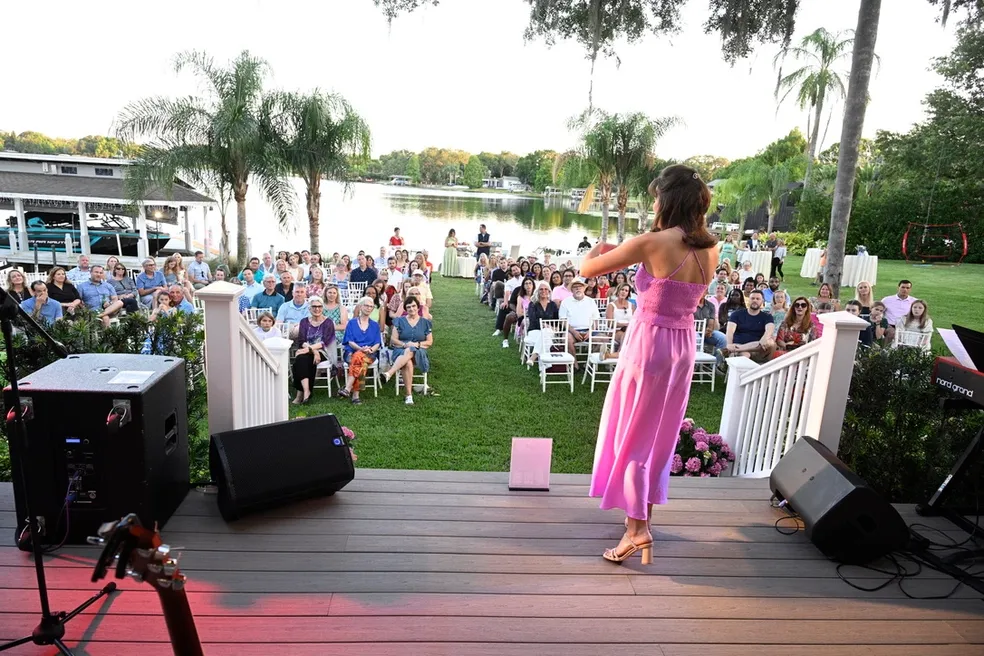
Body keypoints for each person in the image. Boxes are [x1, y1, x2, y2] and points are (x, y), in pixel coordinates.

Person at [581, 164, 717, 565]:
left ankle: (638, 530)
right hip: (683, 346)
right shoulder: (711, 247)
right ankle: (639, 520)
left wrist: (597, 250)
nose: (654, 203)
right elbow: (691, 296)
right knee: (658, 436)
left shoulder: (652, 242)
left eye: (657, 196)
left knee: (633, 434)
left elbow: (588, 270)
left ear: (668, 200)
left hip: (650, 345)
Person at [383, 296, 434, 405]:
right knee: (408, 363)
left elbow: (430, 342)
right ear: (405, 309)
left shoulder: (425, 322)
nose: (411, 309)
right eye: (408, 307)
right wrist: (405, 344)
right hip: (400, 350)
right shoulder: (399, 321)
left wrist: (417, 344)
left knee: (411, 350)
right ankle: (409, 395)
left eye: (414, 306)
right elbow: (393, 340)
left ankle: (390, 373)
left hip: (419, 352)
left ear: (418, 307)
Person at [338, 296, 383, 405]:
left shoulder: (375, 325)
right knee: (360, 359)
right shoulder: (352, 323)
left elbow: (377, 343)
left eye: (371, 306)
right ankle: (355, 395)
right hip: (351, 352)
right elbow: (350, 341)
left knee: (359, 359)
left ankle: (348, 388)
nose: (369, 308)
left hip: (370, 354)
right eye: (366, 305)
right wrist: (360, 349)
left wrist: (371, 349)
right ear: (360, 306)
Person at [291, 296, 336, 405]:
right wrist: (313, 351)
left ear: (323, 308)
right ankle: (306, 391)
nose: (317, 309)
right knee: (302, 359)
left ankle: (300, 395)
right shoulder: (304, 322)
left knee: (302, 359)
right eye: (314, 306)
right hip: (308, 350)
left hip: (324, 352)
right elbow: (301, 340)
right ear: (309, 308)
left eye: (319, 306)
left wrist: (311, 349)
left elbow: (325, 342)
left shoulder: (328, 322)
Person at [722, 290, 776, 362]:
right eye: (752, 298)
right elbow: (730, 331)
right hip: (740, 344)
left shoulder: (767, 316)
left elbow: (770, 329)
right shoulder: (736, 314)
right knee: (745, 355)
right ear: (748, 300)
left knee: (770, 342)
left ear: (762, 301)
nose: (755, 300)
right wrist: (729, 344)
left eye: (758, 299)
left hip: (757, 348)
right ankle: (734, 354)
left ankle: (736, 349)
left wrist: (764, 338)